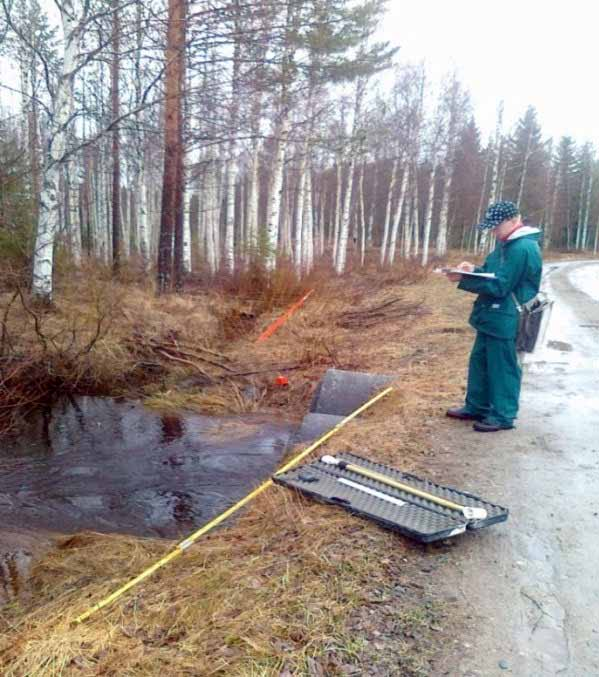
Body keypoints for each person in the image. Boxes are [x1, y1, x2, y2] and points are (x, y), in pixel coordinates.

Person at [444, 201, 543, 432]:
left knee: (503, 367)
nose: (492, 231)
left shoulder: (522, 248)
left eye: (495, 226)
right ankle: (477, 406)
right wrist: (472, 271)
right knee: (480, 362)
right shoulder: (505, 244)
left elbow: (501, 286)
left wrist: (464, 279)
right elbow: (492, 274)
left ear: (513, 220)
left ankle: (503, 415)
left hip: (507, 317)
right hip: (490, 316)